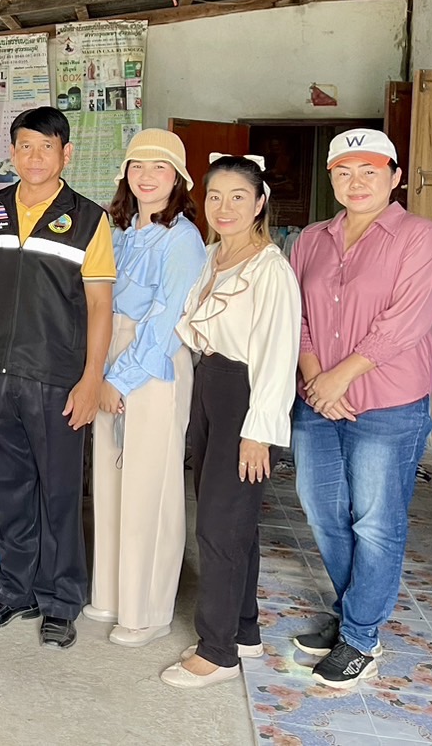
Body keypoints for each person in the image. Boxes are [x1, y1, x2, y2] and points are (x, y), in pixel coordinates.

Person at [288, 129, 432, 688]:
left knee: (375, 521)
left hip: (388, 403)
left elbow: (406, 321)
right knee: (322, 509)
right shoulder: (311, 239)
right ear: (331, 177)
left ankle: (360, 637)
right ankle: (353, 611)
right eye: (344, 172)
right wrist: (316, 379)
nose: (356, 182)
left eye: (369, 171)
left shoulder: (418, 236)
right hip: (317, 400)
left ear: (394, 177)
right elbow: (296, 314)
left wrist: (340, 378)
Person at [0, 106, 115, 650]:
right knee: (10, 488)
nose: (34, 157)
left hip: (56, 376)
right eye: (24, 146)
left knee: (60, 493)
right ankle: (15, 591)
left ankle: (60, 601)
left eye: (45, 147)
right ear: (12, 152)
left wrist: (91, 379)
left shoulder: (90, 218)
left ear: (65, 154)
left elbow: (100, 306)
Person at [164, 154, 300, 689]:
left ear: (260, 203)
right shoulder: (214, 255)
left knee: (219, 525)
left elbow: (278, 355)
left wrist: (259, 431)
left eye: (238, 197)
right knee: (233, 521)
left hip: (245, 395)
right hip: (211, 384)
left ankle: (217, 652)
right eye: (215, 196)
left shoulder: (270, 269)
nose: (225, 207)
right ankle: (244, 630)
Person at [85, 129, 206, 648]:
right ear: (125, 174)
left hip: (153, 366)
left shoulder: (182, 238)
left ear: (178, 178)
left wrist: (118, 379)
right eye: (138, 165)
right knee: (111, 480)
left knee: (149, 486)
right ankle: (112, 594)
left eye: (160, 167)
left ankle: (148, 610)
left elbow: (167, 320)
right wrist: (97, 370)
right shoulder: (116, 230)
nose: (147, 176)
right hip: (108, 354)